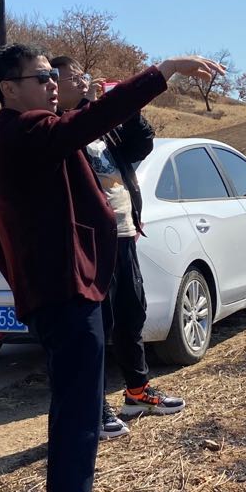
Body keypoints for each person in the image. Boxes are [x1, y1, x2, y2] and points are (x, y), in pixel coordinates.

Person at [0, 43, 225, 492]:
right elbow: (92, 121)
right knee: (77, 409)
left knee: (83, 403)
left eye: (52, 76)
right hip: (63, 294)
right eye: (41, 77)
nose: (52, 84)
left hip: (62, 290)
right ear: (9, 89)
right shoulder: (27, 133)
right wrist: (163, 71)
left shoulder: (15, 137)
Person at [52, 56, 184, 442]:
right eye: (73, 78)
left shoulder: (102, 130)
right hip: (90, 245)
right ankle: (93, 407)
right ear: (53, 86)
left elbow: (141, 145)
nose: (83, 82)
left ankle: (137, 393)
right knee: (97, 328)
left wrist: (131, 111)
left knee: (131, 315)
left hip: (123, 235)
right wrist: (93, 109)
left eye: (83, 75)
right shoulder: (59, 131)